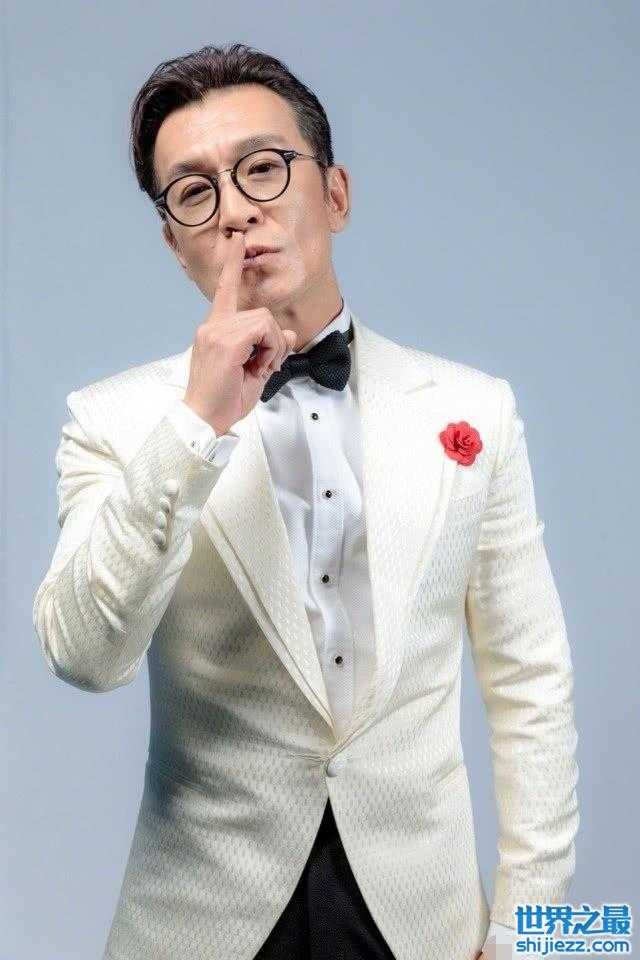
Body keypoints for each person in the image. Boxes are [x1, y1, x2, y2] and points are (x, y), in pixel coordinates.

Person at [33, 42, 579, 960]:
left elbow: (532, 683)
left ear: (335, 194)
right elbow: (85, 656)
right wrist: (197, 425)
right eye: (195, 191)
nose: (236, 209)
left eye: (263, 168)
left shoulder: (474, 409)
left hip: (424, 920)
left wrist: (536, 933)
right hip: (200, 923)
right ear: (174, 243)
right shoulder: (115, 422)